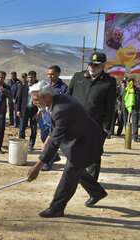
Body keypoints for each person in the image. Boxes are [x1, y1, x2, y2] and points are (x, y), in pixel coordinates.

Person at [27, 80, 108, 218]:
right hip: (80, 139)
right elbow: (56, 130)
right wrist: (48, 139)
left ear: (47, 97)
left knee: (70, 173)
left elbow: (55, 142)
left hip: (86, 142)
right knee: (77, 169)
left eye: (36, 99)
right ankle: (97, 192)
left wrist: (38, 166)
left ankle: (56, 208)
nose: (34, 102)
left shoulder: (61, 108)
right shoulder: (57, 100)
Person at [67, 52, 116, 180]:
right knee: (74, 154)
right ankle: (74, 179)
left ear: (103, 66)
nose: (92, 67)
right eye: (90, 64)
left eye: (95, 65)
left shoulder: (109, 82)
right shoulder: (78, 77)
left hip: (96, 126)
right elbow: (67, 98)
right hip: (76, 125)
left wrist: (106, 127)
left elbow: (110, 107)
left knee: (94, 156)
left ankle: (92, 185)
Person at [39, 65, 68, 171]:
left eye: (52, 74)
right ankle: (55, 156)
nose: (49, 76)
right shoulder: (46, 86)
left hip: (55, 118)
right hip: (45, 117)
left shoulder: (63, 88)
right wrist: (39, 110)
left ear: (58, 74)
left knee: (51, 141)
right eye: (48, 74)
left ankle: (48, 162)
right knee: (43, 137)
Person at [16, 71, 39, 151]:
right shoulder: (23, 86)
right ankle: (22, 144)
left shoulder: (38, 87)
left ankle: (31, 145)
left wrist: (40, 111)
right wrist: (18, 110)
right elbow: (19, 99)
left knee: (34, 128)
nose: (30, 79)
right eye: (29, 77)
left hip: (34, 110)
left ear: (35, 78)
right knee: (22, 128)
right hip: (24, 110)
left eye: (32, 77)